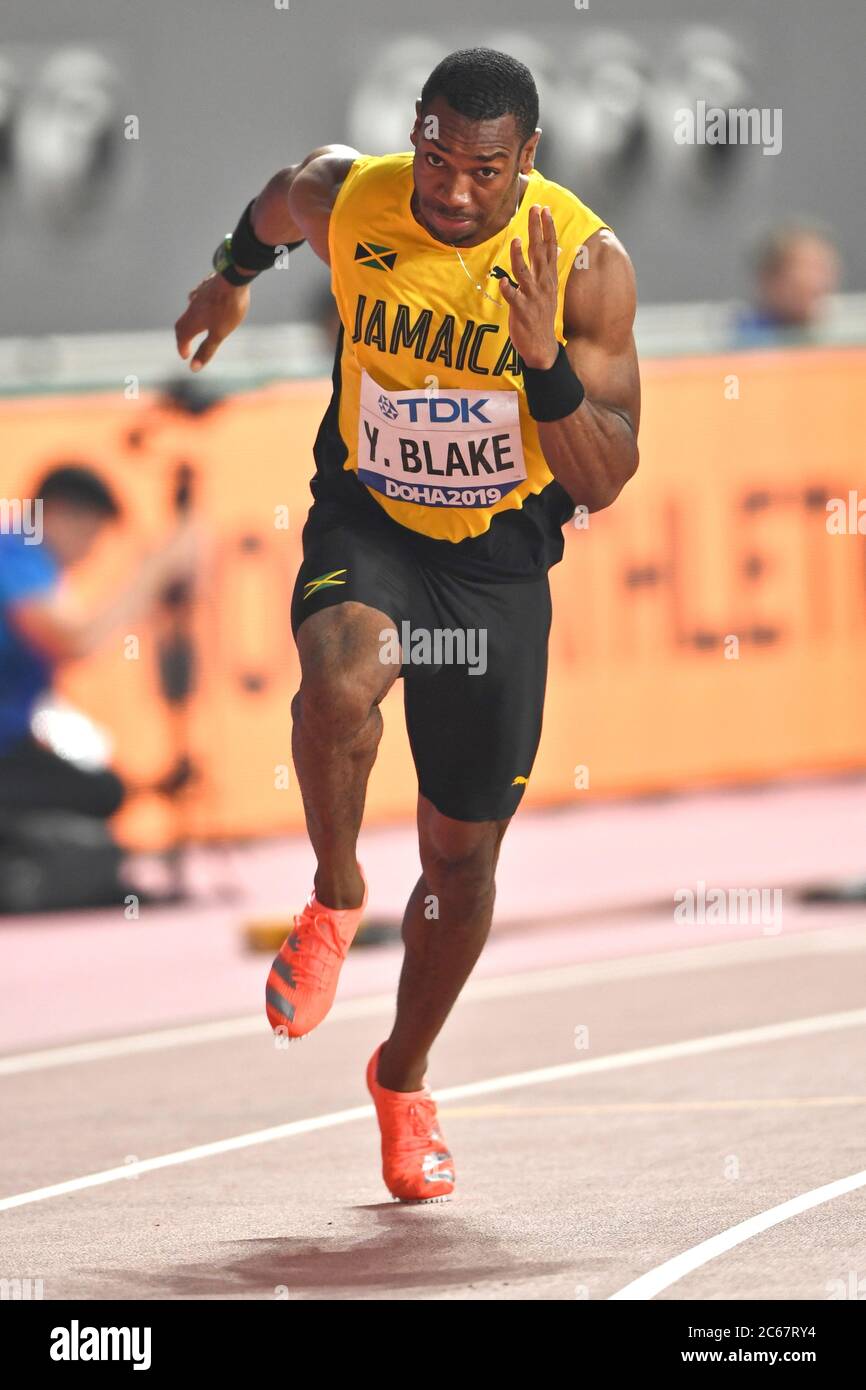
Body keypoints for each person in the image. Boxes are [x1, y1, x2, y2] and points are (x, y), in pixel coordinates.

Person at [174, 47, 640, 1203]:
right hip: (370, 524)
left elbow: (606, 478)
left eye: (483, 169)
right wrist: (232, 274)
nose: (453, 188)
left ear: (524, 161)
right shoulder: (359, 193)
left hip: (493, 568)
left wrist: (541, 367)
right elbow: (282, 201)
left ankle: (401, 1074)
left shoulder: (583, 267)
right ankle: (334, 896)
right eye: (435, 155)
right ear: (414, 135)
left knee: (460, 859)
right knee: (336, 681)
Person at [0, 464, 198, 819]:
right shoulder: (14, 553)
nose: (91, 550)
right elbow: (75, 640)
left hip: (14, 740)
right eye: (91, 534)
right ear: (59, 514)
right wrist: (153, 571)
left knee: (98, 782)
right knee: (99, 792)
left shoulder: (30, 562)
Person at [734, 222, 841, 347]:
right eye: (808, 269)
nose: (818, 283)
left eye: (823, 268)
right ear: (769, 278)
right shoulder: (744, 341)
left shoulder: (836, 335)